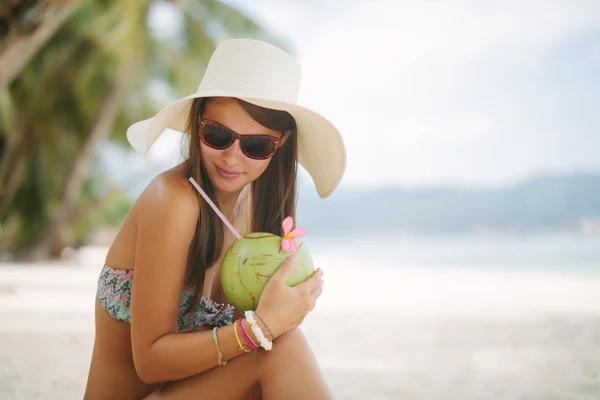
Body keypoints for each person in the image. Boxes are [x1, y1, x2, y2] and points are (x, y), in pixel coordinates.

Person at [83, 38, 347, 400]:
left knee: (281, 344)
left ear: (280, 143)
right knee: (280, 347)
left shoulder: (257, 215)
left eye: (255, 146)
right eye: (218, 135)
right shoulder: (173, 202)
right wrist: (259, 328)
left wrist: (283, 314)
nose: (233, 159)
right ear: (198, 124)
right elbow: (149, 362)